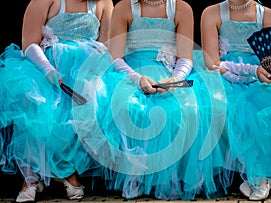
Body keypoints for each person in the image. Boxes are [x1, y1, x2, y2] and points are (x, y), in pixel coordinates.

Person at [77, 0, 229, 200]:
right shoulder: (125, 7)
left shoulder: (181, 8)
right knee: (126, 107)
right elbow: (116, 57)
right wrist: (137, 78)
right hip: (130, 74)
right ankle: (136, 175)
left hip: (169, 73)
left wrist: (174, 80)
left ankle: (171, 177)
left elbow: (185, 57)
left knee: (184, 110)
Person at [0, 0, 113, 202]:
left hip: (86, 69)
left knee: (88, 105)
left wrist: (92, 75)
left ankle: (65, 169)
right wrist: (47, 69)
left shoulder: (104, 3)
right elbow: (29, 43)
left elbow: (107, 45)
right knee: (36, 104)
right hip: (46, 68)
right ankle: (31, 176)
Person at [200, 0, 271, 200]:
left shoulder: (268, 15)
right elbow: (212, 64)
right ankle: (257, 176)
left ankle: (262, 175)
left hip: (261, 80)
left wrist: (262, 75)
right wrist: (247, 73)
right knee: (227, 106)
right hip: (225, 77)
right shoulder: (212, 13)